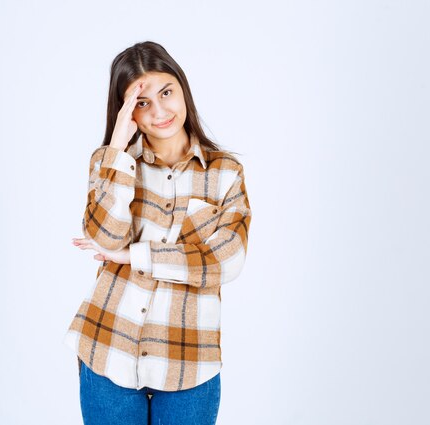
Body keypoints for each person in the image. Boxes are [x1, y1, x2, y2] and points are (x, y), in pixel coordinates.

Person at [64, 41, 252, 425]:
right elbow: (104, 238)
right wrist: (117, 145)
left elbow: (225, 262)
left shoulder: (224, 173)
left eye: (165, 92)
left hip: (189, 365)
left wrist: (136, 256)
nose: (159, 110)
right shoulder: (115, 163)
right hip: (108, 353)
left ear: (182, 88)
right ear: (126, 110)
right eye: (142, 101)